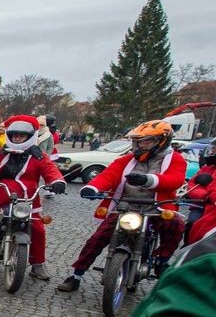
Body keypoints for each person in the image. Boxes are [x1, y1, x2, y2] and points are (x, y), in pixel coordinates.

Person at [58, 120, 187, 291]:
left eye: (146, 141)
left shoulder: (175, 159)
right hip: (126, 207)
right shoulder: (126, 160)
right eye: (138, 142)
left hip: (157, 207)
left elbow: (175, 179)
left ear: (161, 141)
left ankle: (162, 260)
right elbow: (109, 175)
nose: (140, 145)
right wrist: (92, 187)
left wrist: (149, 180)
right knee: (98, 238)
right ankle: (76, 275)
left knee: (176, 224)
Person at [0, 115, 67, 280]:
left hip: (27, 201)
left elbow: (51, 170)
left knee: (38, 230)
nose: (17, 138)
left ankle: (37, 265)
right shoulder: (1, 153)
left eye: (21, 136)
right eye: (15, 135)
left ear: (30, 137)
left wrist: (58, 181)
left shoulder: (39, 156)